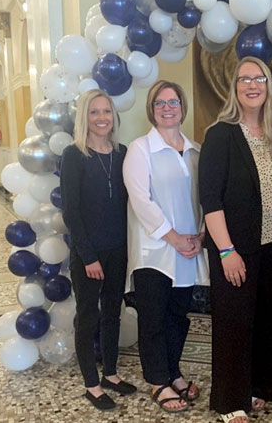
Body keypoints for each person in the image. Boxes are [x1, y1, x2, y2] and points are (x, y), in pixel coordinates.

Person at [199, 56, 272, 423]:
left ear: (268, 86)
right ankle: (228, 400)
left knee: (267, 321)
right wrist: (225, 250)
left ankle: (257, 388)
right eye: (243, 79)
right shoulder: (221, 134)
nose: (252, 85)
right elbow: (210, 198)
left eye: (259, 78)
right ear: (234, 89)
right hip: (233, 248)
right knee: (233, 324)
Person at [123, 80, 205, 413]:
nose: (167, 108)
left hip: (188, 248)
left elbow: (203, 200)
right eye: (160, 103)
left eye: (173, 102)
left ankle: (173, 372)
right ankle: (158, 381)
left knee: (177, 316)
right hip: (154, 250)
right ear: (152, 109)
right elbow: (141, 200)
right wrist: (173, 237)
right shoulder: (140, 149)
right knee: (154, 318)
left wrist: (199, 236)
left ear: (182, 107)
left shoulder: (196, 149)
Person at [60, 89, 136, 410]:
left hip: (119, 249)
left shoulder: (123, 152)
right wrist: (88, 255)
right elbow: (71, 212)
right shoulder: (74, 155)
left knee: (113, 313)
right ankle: (91, 384)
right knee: (89, 316)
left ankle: (111, 374)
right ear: (84, 118)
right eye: (95, 112)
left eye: (107, 112)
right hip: (88, 253)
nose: (102, 118)